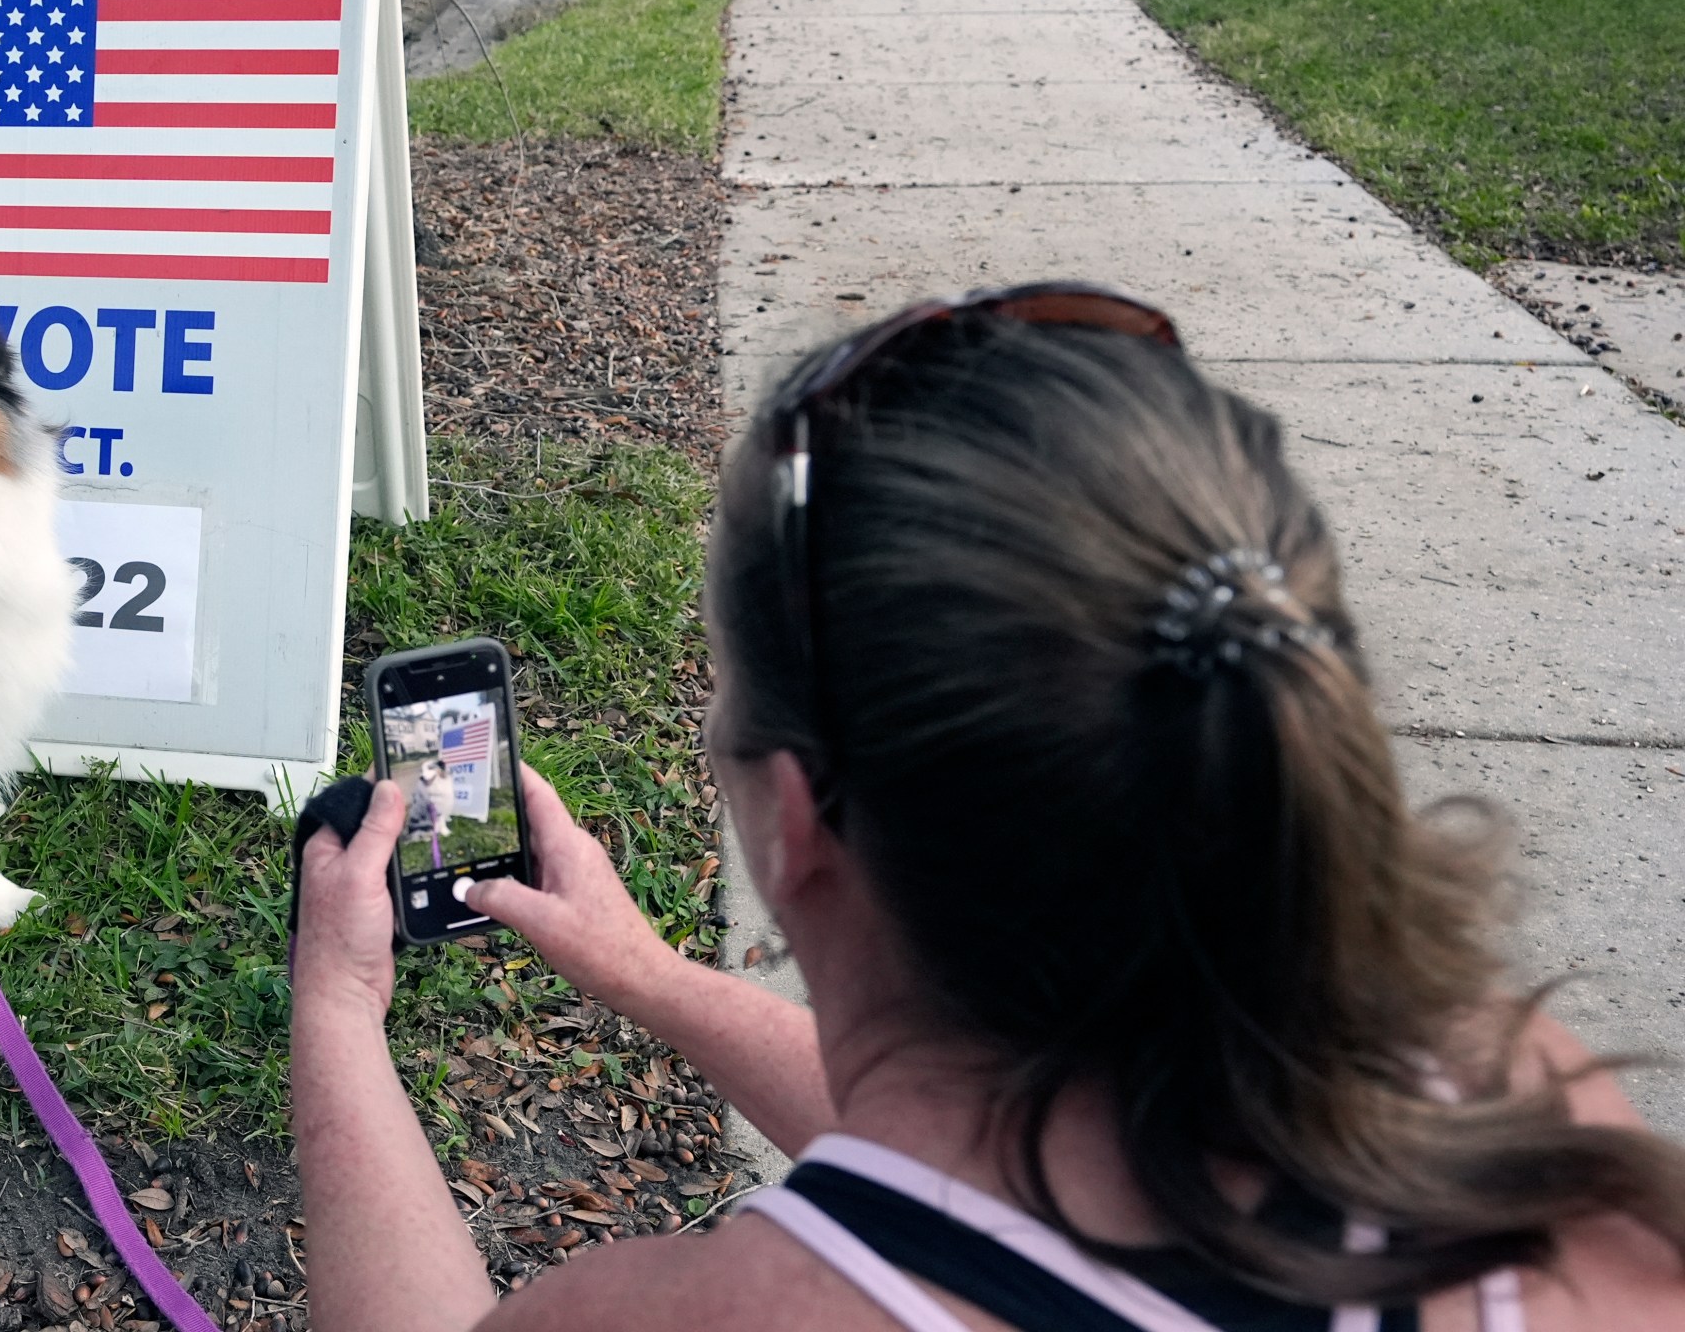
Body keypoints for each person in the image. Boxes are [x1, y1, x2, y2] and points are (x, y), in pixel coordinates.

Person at [288, 286, 1685, 1332]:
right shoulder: (1513, 1108)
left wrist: (338, 1014)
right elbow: (999, 1170)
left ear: (793, 816)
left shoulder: (714, 1315)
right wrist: (651, 980)